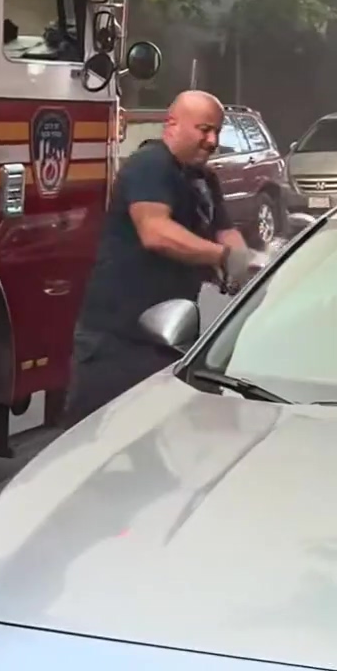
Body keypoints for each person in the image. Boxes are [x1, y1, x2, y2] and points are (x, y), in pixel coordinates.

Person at [65, 90, 262, 426]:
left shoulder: (203, 179)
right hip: (117, 341)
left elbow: (225, 231)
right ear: (172, 124)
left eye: (217, 131)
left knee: (154, 443)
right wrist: (222, 256)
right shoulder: (150, 165)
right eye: (204, 129)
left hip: (167, 337)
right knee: (96, 447)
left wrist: (249, 267)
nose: (212, 140)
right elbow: (155, 232)